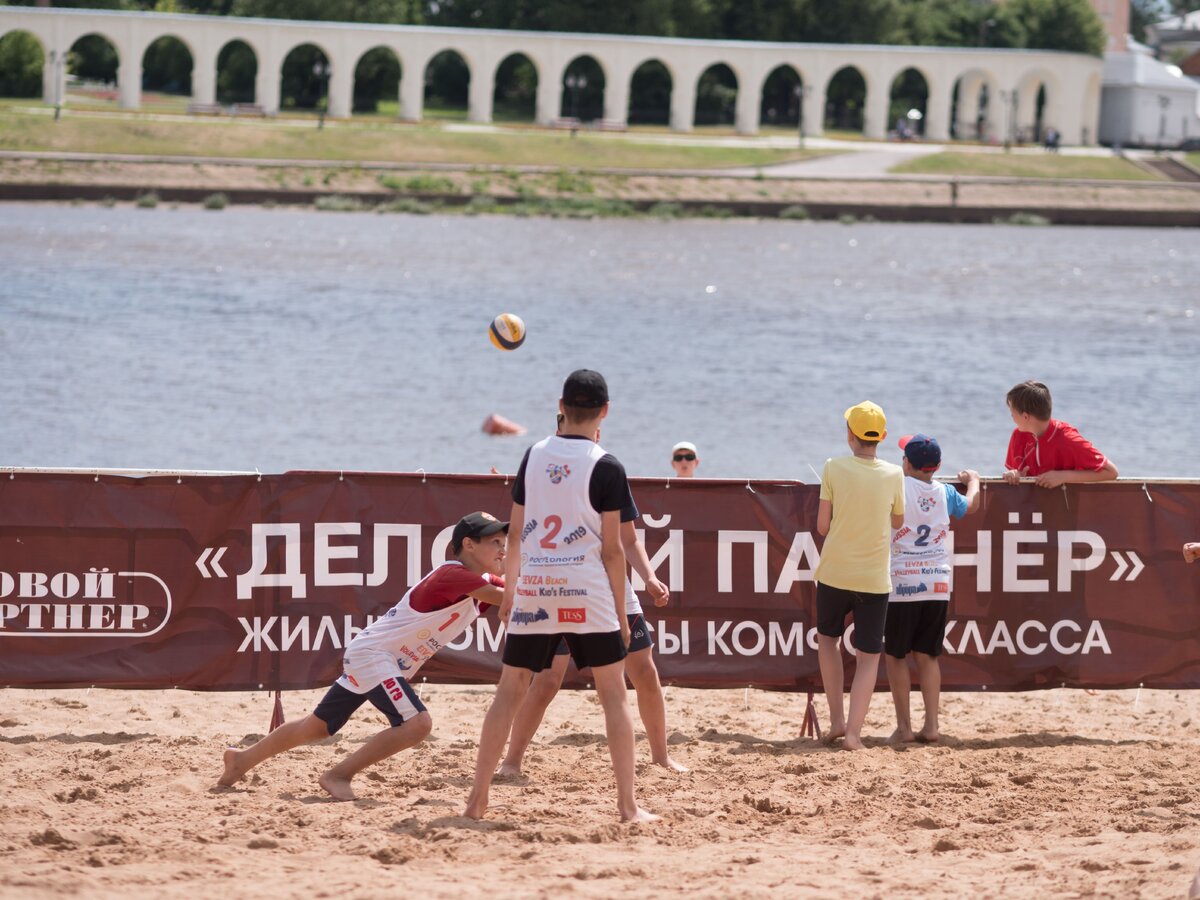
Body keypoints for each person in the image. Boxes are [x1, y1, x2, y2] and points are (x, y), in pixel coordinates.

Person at [465, 369, 657, 823]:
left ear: (561, 406)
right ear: (605, 412)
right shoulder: (606, 465)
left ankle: (476, 798)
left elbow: (514, 533)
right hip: (586, 589)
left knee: (508, 690)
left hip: (535, 585)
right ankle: (628, 807)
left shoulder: (532, 456)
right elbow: (612, 550)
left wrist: (511, 591)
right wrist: (620, 608)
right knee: (613, 693)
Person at [217, 512, 507, 801]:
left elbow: (516, 593)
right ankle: (339, 775)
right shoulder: (452, 575)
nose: (503, 549)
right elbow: (511, 597)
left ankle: (242, 759)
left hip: (379, 657)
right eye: (495, 542)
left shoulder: (481, 580)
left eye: (505, 542)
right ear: (469, 545)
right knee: (418, 724)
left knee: (317, 726)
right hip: (375, 656)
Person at [497, 418, 685, 776]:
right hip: (561, 586)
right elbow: (519, 534)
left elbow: (627, 541)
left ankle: (661, 757)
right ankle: (512, 760)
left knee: (644, 672)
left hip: (606, 587)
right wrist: (513, 587)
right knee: (548, 679)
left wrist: (649, 577)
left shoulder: (603, 470)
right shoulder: (543, 468)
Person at [813, 401, 905, 751]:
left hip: (835, 572)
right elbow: (898, 521)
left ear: (850, 435)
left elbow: (823, 526)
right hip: (873, 578)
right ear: (881, 437)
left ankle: (835, 720)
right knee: (869, 657)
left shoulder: (833, 467)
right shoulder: (894, 473)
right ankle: (853, 734)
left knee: (828, 641)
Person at [884, 435, 981, 744]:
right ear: (937, 466)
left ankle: (904, 727)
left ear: (907, 463)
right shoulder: (945, 491)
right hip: (937, 581)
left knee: (896, 656)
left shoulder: (896, 486)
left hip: (903, 581)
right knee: (928, 655)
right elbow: (970, 506)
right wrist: (976, 481)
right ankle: (932, 726)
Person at [1002, 381, 1118, 488]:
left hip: (1066, 508)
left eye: (1013, 413)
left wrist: (1063, 476)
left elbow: (1111, 472)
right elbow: (1017, 476)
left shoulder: (1069, 439)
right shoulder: (1018, 435)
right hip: (1029, 508)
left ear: (1026, 417)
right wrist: (1015, 475)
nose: (1012, 416)